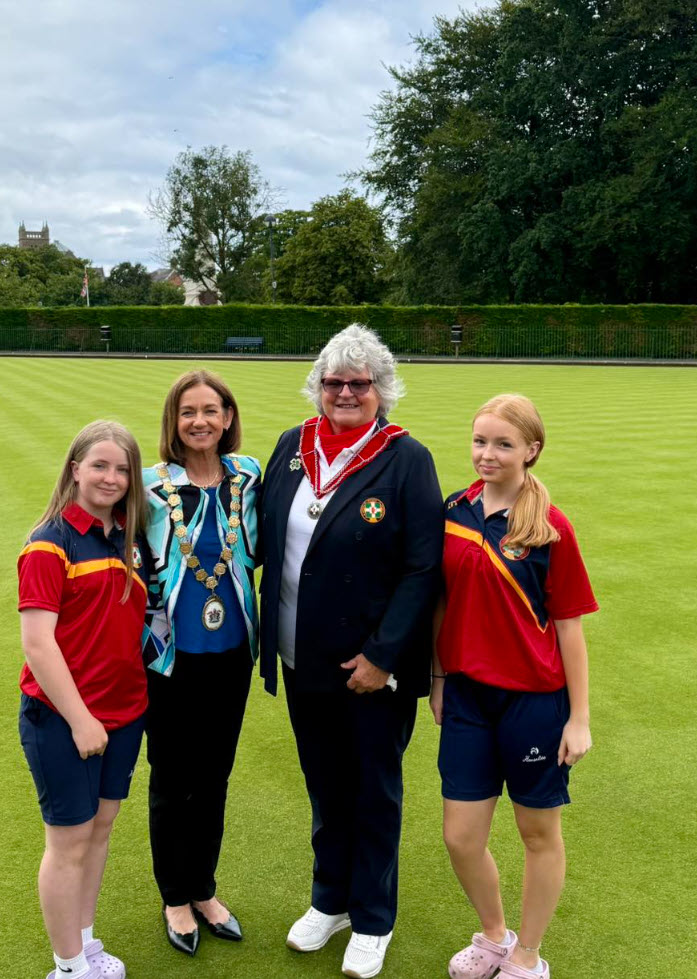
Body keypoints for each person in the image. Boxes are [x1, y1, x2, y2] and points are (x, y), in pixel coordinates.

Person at [259, 324, 444, 979]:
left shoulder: (406, 457)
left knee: (373, 791)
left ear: (380, 390)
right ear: (318, 386)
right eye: (333, 381)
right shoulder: (290, 447)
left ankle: (372, 917)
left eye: (358, 382)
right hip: (298, 656)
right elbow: (256, 536)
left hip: (370, 669)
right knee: (325, 785)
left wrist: (384, 656)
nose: (344, 392)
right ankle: (330, 899)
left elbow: (424, 568)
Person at [432, 394, 598, 979]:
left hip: (533, 702)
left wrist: (578, 718)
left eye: (503, 444)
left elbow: (570, 628)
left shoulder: (551, 527)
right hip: (468, 700)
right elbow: (441, 603)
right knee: (460, 836)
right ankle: (495, 936)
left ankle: (527, 956)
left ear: (531, 450)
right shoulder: (453, 510)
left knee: (536, 831)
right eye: (480, 441)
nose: (487, 454)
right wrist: (438, 678)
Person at [17, 420, 151, 979]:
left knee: (100, 830)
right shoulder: (49, 543)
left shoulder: (128, 537)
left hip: (125, 714)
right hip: (65, 721)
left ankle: (87, 944)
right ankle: (68, 966)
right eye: (99, 465)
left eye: (122, 469)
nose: (111, 478)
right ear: (75, 470)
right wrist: (80, 721)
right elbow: (38, 645)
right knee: (68, 841)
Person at [142, 370, 262, 956]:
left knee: (213, 777)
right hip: (169, 658)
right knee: (172, 781)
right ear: (174, 421)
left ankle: (204, 888)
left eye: (211, 410)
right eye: (188, 411)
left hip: (232, 653)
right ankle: (174, 896)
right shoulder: (148, 485)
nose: (200, 422)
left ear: (229, 417)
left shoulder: (248, 476)